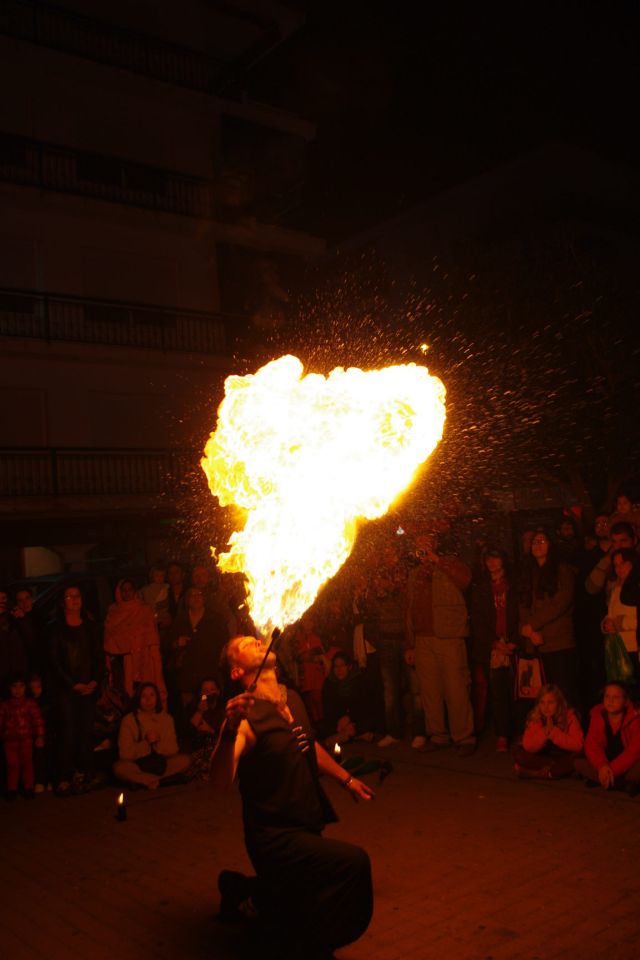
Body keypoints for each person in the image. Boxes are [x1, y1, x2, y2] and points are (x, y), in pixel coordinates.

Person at [211, 635, 374, 960]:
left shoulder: (292, 699)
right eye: (245, 644)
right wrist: (228, 730)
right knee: (353, 864)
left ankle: (240, 891)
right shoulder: (246, 719)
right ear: (235, 671)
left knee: (289, 896)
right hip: (275, 837)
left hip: (307, 822)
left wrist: (347, 779)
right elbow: (220, 781)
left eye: (255, 639)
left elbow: (306, 744)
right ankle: (315, 946)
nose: (257, 641)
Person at [405, 531, 476, 756]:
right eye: (419, 542)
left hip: (449, 637)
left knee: (456, 688)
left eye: (426, 542)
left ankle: (464, 737)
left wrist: (438, 560)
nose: (422, 546)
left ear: (434, 544)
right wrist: (410, 644)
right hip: (422, 640)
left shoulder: (450, 564)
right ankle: (438, 735)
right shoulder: (415, 573)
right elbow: (409, 610)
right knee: (430, 691)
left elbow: (466, 579)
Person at [49, 584, 103, 795]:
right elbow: (54, 662)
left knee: (86, 732)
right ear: (62, 602)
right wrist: (72, 684)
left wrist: (94, 682)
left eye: (77, 596)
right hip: (66, 690)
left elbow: (98, 656)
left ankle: (86, 773)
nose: (74, 599)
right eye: (69, 596)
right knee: (67, 732)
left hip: (88, 688)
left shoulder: (90, 627)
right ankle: (64, 776)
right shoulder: (55, 629)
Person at [518, 529, 578, 706]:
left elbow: (560, 603)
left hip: (558, 641)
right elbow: (522, 603)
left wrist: (532, 625)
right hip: (535, 643)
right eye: (535, 542)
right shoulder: (528, 573)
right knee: (539, 696)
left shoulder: (563, 571)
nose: (537, 545)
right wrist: (527, 630)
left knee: (563, 692)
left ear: (551, 545)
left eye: (542, 541)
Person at [470, 547, 520, 750]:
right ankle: (503, 734)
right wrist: (495, 643)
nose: (491, 563)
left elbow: (522, 611)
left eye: (495, 557)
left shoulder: (514, 585)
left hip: (515, 642)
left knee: (519, 689)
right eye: (488, 559)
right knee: (498, 691)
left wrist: (515, 640)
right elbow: (478, 620)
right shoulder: (481, 588)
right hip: (494, 646)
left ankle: (522, 731)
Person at [113, 682, 190, 790]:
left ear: (157, 697)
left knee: (184, 760)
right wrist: (146, 743)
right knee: (120, 768)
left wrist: (157, 742)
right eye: (143, 696)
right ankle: (159, 780)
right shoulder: (129, 720)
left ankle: (144, 780)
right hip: (137, 765)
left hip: (161, 764)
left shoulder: (167, 719)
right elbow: (125, 754)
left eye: (152, 695)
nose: (148, 700)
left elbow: (173, 749)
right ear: (138, 699)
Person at [104, 579, 167, 706]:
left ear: (135, 591)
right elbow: (109, 639)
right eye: (124, 590)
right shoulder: (114, 612)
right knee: (126, 698)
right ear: (119, 592)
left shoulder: (144, 610)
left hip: (144, 660)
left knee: (145, 696)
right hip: (122, 662)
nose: (127, 594)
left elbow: (151, 637)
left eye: (130, 590)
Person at [574, 682, 640, 793]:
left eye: (616, 697)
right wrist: (602, 766)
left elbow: (634, 752)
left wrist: (612, 771)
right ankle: (620, 783)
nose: (610, 701)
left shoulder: (635, 719)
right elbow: (592, 744)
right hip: (606, 762)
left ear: (626, 701)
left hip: (627, 765)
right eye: (607, 696)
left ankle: (605, 780)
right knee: (578, 762)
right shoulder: (598, 716)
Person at [513, 684, 583, 779]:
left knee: (580, 756)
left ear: (559, 703)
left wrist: (554, 733)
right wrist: (545, 732)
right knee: (519, 754)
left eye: (551, 703)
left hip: (563, 757)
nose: (546, 707)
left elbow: (578, 745)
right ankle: (557, 771)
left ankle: (537, 773)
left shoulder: (569, 716)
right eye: (542, 702)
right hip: (545, 758)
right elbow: (528, 745)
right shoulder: (536, 717)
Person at [0, 675, 44, 799]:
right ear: (8, 688)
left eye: (21, 686)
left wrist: (40, 736)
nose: (17, 690)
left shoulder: (30, 703)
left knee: (27, 763)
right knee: (12, 765)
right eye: (14, 686)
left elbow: (37, 720)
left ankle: (28, 787)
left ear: (26, 688)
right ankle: (12, 789)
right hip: (9, 741)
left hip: (26, 739)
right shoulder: (4, 705)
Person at [600, 547, 639, 688]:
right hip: (618, 649)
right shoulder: (616, 590)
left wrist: (621, 623)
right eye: (616, 565)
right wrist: (606, 624)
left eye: (623, 563)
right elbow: (610, 614)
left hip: (635, 648)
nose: (619, 569)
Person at [320, 651, 374, 744]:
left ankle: (348, 734)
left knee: (367, 721)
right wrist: (340, 722)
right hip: (337, 722)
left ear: (349, 667)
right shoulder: (329, 683)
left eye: (342, 666)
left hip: (354, 719)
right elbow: (328, 708)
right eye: (336, 666)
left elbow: (364, 706)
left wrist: (349, 718)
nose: (339, 670)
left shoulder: (358, 681)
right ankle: (352, 734)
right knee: (322, 728)